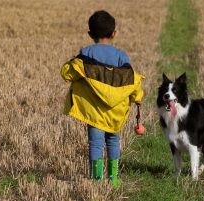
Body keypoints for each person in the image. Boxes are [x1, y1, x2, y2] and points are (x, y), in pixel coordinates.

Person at [60, 10, 145, 187]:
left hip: (94, 112)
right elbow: (131, 79)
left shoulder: (86, 53)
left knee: (95, 144)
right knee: (113, 140)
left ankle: (97, 179)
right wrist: (138, 97)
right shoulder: (122, 56)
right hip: (115, 113)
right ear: (114, 33)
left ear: (90, 34)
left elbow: (68, 74)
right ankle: (113, 178)